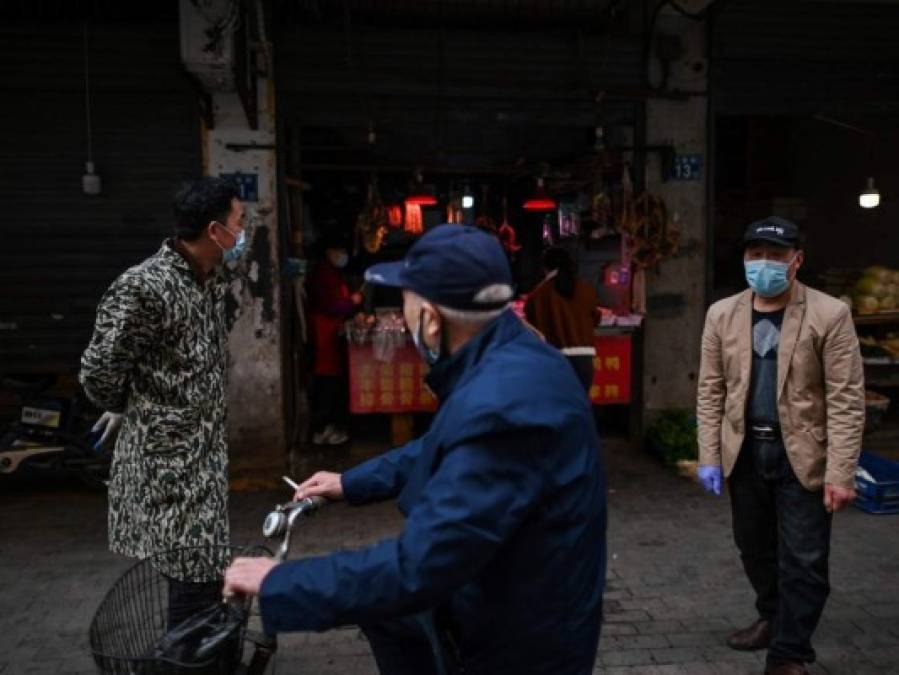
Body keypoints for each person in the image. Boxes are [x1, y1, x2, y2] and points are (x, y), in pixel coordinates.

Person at [225, 225, 607, 675]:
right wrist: (349, 482)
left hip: (521, 639)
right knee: (389, 617)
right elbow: (445, 444)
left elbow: (421, 566)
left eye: (404, 303)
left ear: (430, 318)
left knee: (396, 599)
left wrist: (280, 582)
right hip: (509, 593)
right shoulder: (513, 356)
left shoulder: (504, 401)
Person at [696, 217, 864, 675]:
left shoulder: (830, 314)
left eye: (775, 255)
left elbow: (846, 400)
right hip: (746, 450)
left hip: (804, 453)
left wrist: (841, 473)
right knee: (754, 547)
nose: (764, 264)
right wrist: (710, 455)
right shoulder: (722, 314)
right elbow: (711, 389)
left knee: (804, 558)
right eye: (755, 255)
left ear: (797, 261)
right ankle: (772, 615)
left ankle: (789, 653)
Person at [80, 177, 244, 627]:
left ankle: (199, 652)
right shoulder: (143, 287)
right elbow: (98, 374)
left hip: (203, 459)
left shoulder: (209, 279)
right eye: (239, 222)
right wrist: (131, 405)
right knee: (191, 577)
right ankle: (190, 658)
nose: (242, 231)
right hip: (168, 468)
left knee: (204, 573)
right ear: (215, 231)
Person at [306, 231, 361, 445]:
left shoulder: (332, 273)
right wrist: (352, 302)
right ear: (330, 252)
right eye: (340, 251)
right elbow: (330, 305)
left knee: (331, 383)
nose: (342, 255)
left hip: (330, 334)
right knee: (326, 385)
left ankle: (327, 429)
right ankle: (322, 430)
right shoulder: (322, 275)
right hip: (323, 337)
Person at [525, 246, 600, 391]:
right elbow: (595, 318)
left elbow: (531, 323)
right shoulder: (585, 289)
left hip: (554, 360)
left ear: (546, 268)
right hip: (584, 361)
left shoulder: (539, 294)